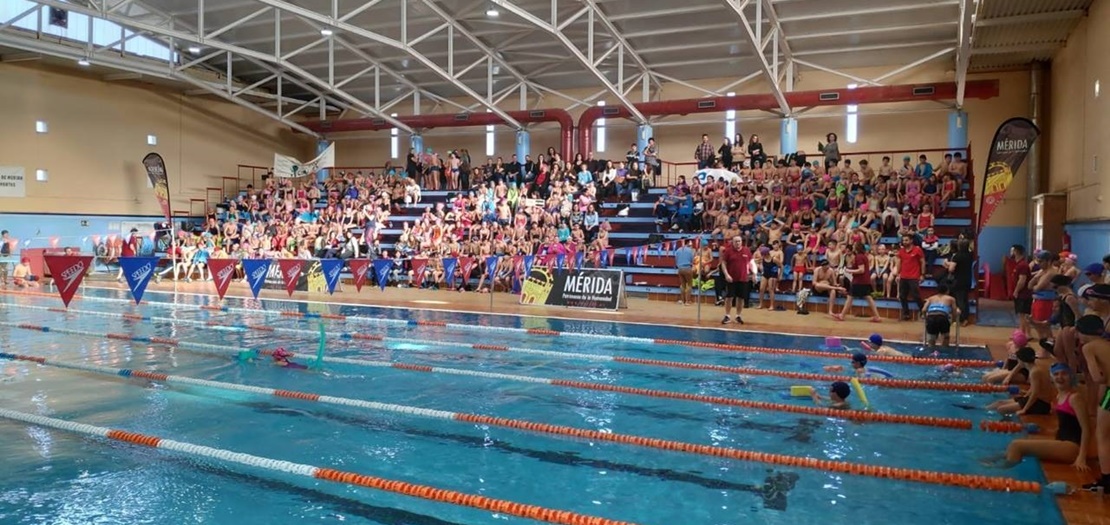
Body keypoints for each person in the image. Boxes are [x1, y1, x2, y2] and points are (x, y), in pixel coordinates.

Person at [981, 363, 1092, 471]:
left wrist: (1081, 457)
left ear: (1071, 377)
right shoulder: (1060, 395)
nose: (1060, 377)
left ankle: (1001, 474)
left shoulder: (1075, 398)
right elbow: (1068, 423)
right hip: (1063, 441)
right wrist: (1049, 430)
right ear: (1052, 378)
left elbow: (1087, 428)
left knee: (1016, 445)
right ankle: (987, 463)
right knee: (1014, 446)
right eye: (1056, 374)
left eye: (1064, 374)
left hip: (1072, 447)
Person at [1078, 314, 1110, 492]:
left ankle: (1106, 481)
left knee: (1103, 435)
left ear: (1082, 332)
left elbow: (1097, 377)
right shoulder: (1107, 344)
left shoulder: (1088, 347)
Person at [986, 346, 1054, 415]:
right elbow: (1036, 388)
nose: (1018, 361)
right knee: (999, 403)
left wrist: (1024, 410)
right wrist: (1026, 394)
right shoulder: (1034, 368)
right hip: (1036, 400)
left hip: (1041, 404)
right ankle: (982, 409)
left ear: (1022, 360)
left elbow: (1035, 393)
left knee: (1001, 409)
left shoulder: (1034, 372)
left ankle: (1004, 423)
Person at [832, 243, 881, 323]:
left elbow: (861, 270)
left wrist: (849, 270)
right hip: (865, 280)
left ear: (857, 248)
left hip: (859, 281)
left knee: (850, 297)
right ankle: (877, 316)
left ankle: (842, 315)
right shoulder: (863, 256)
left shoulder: (859, 257)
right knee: (868, 297)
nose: (853, 247)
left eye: (854, 246)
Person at [720, 235, 752, 325]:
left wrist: (753, 273)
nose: (738, 243)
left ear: (741, 242)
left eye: (739, 241)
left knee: (740, 298)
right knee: (729, 297)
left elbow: (750, 262)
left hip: (743, 278)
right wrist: (726, 274)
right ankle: (727, 315)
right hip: (731, 278)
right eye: (736, 241)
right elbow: (723, 263)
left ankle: (738, 315)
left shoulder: (746, 250)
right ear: (733, 242)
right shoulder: (728, 251)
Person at [896, 234, 926, 321]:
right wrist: (898, 273)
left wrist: (922, 274)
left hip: (914, 276)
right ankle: (906, 314)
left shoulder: (917, 250)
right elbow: (899, 263)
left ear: (911, 240)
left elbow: (922, 262)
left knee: (916, 295)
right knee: (902, 296)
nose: (904, 242)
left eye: (906, 240)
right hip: (903, 276)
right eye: (903, 240)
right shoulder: (901, 251)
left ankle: (923, 310)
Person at [922, 283, 959, 349]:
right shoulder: (951, 299)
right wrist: (953, 321)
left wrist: (926, 319)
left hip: (931, 318)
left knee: (931, 341)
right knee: (945, 338)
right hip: (942, 318)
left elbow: (924, 310)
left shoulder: (931, 298)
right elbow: (954, 311)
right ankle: (944, 353)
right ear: (947, 291)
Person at [674, 239, 695, 306]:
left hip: (680, 269)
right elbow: (692, 260)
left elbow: (676, 260)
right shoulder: (690, 250)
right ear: (688, 243)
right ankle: (687, 301)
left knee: (683, 285)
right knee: (689, 284)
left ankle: (683, 300)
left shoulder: (678, 250)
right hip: (687, 268)